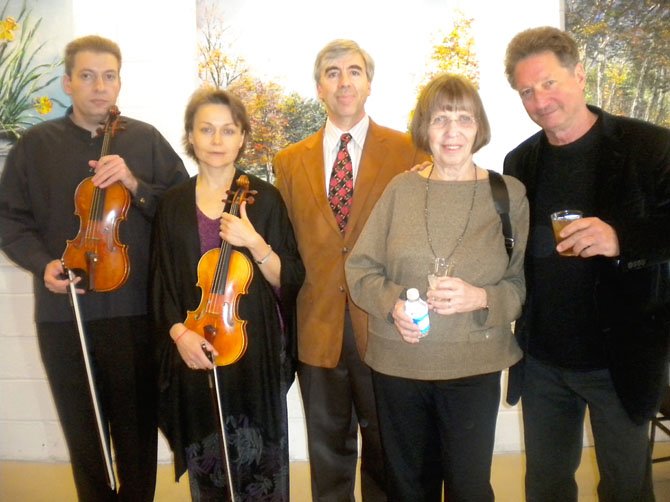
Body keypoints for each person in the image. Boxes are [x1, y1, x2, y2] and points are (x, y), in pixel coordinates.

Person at [0, 35, 187, 501]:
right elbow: (8, 218)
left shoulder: (144, 139)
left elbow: (182, 212)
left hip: (134, 313)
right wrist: (42, 264)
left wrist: (135, 183)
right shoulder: (35, 145)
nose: (99, 87)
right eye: (86, 76)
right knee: (84, 437)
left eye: (108, 76)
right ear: (68, 83)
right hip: (65, 316)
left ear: (119, 81)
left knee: (136, 437)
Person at [503, 26, 670, 501]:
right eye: (526, 91)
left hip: (618, 358)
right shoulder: (521, 162)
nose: (540, 100)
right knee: (546, 485)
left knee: (624, 486)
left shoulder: (649, 146)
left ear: (579, 74)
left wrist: (621, 237)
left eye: (549, 83)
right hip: (543, 361)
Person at [345, 73, 529, 502]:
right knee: (408, 489)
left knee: (469, 488)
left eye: (464, 119)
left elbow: (520, 285)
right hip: (399, 366)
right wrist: (393, 305)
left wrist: (481, 297)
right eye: (440, 119)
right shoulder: (401, 188)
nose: (452, 132)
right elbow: (360, 269)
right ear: (424, 127)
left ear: (479, 127)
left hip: (473, 367)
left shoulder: (508, 195)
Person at [273, 39, 430, 501]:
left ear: (369, 82)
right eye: (334, 72)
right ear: (319, 86)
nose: (345, 81)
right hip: (315, 324)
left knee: (386, 448)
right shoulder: (288, 161)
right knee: (328, 451)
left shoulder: (408, 150)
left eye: (355, 71)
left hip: (384, 322)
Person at [150, 87, 304, 501]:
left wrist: (255, 243)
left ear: (242, 138)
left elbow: (290, 277)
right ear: (191, 136)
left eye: (228, 130)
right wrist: (181, 335)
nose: (217, 141)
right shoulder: (173, 204)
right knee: (210, 466)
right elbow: (160, 284)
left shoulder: (265, 198)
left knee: (261, 468)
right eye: (206, 130)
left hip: (254, 352)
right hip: (196, 348)